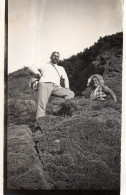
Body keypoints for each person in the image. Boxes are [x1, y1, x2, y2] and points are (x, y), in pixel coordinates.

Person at [28, 52, 75, 130]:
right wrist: (37, 73)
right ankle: (39, 125)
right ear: (50, 57)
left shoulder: (61, 68)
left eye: (57, 56)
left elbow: (65, 78)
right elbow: (31, 66)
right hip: (45, 84)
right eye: (54, 56)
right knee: (42, 104)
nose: (56, 57)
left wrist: (67, 87)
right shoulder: (44, 64)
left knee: (70, 93)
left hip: (57, 86)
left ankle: (63, 112)